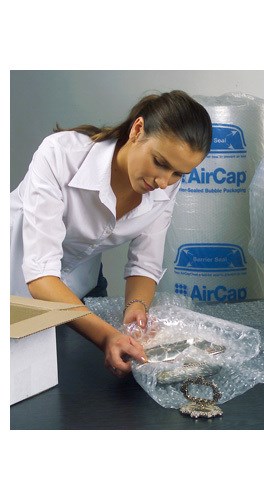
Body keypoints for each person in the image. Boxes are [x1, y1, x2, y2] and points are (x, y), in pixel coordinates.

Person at [10, 90, 212, 377]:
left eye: (179, 173)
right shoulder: (60, 154)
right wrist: (106, 336)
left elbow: (145, 264)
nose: (164, 182)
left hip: (79, 286)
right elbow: (41, 275)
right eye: (160, 162)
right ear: (138, 130)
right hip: (15, 279)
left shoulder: (165, 183)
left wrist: (136, 309)